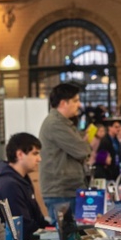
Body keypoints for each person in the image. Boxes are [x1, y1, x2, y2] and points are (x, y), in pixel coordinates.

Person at [39, 83, 92, 224]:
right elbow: (82, 151)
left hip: (67, 190)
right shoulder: (55, 124)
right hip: (61, 193)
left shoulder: (64, 123)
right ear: (63, 103)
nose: (79, 105)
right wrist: (85, 144)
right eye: (75, 101)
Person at [0, 132, 51, 240]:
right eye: (35, 153)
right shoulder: (9, 185)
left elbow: (37, 220)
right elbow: (22, 227)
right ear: (20, 154)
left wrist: (52, 227)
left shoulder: (21, 180)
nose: (39, 159)